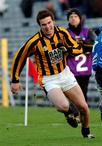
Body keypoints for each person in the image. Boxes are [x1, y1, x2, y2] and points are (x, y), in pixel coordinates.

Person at [10, 9, 94, 139]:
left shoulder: (62, 33)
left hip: (65, 74)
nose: (47, 27)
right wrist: (15, 80)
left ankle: (86, 131)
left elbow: (76, 48)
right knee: (63, 105)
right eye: (44, 24)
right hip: (49, 79)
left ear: (53, 21)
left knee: (84, 107)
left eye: (49, 23)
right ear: (40, 26)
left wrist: (68, 49)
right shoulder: (35, 41)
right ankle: (69, 113)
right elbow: (19, 57)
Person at [66, 8, 96, 102]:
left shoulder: (87, 31)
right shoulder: (65, 33)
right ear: (68, 19)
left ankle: (83, 116)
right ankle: (74, 115)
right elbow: (64, 48)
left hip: (85, 71)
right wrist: (82, 47)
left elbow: (93, 46)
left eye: (75, 16)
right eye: (71, 17)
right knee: (73, 97)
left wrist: (82, 43)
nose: (73, 18)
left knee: (83, 96)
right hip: (70, 70)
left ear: (80, 18)